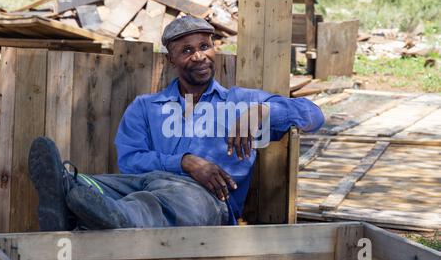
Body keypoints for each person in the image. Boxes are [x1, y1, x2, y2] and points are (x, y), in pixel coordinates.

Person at [28, 15, 324, 231]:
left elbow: (313, 114)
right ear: (171, 59)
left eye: (204, 46)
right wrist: (184, 162)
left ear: (213, 49)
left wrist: (261, 110)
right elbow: (130, 162)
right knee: (98, 185)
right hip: (142, 187)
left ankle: (100, 215)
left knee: (177, 199)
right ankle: (71, 189)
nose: (199, 56)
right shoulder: (145, 106)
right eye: (186, 50)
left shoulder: (240, 101)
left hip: (208, 202)